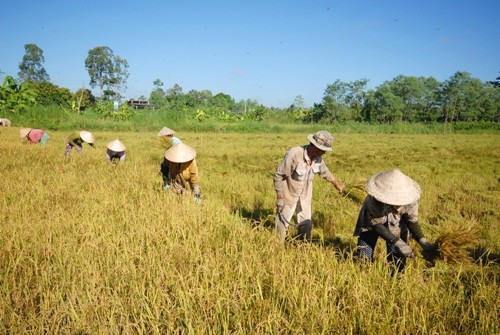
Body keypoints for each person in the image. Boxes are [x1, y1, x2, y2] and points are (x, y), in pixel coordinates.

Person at [353, 169, 434, 273]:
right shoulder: (373, 200)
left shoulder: (411, 201)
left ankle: (395, 278)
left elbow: (411, 221)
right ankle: (363, 274)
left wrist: (423, 241)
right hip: (371, 223)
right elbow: (376, 224)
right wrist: (397, 242)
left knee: (398, 259)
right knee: (364, 253)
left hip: (397, 223)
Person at [274, 130, 344, 242]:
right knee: (282, 226)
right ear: (314, 146)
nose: (324, 153)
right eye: (322, 150)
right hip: (289, 196)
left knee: (306, 226)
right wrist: (280, 197)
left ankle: (302, 247)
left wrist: (337, 184)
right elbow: (278, 175)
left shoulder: (318, 158)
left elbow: (325, 172)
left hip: (305, 197)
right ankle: (277, 249)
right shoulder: (295, 154)